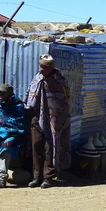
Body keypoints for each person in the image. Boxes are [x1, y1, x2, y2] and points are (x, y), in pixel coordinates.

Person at [24, 54, 70, 189]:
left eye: (46, 67)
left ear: (51, 67)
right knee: (36, 144)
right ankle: (36, 176)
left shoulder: (59, 80)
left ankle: (48, 177)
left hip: (53, 119)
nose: (43, 69)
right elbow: (30, 94)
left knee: (50, 146)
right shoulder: (37, 78)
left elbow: (65, 99)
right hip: (37, 116)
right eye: (41, 66)